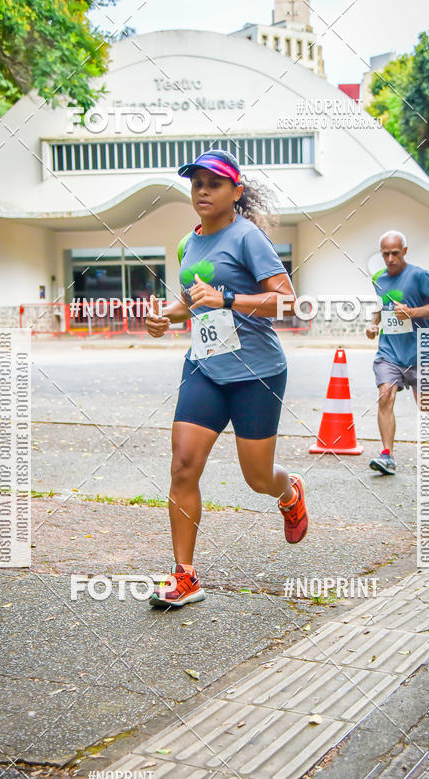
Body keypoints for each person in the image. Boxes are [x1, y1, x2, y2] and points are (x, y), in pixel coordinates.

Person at [144, 149, 308, 608]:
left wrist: (229, 298)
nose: (202, 190)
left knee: (257, 476)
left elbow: (289, 302)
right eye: (196, 182)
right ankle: (185, 577)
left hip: (257, 371)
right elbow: (189, 302)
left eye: (213, 183)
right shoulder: (187, 243)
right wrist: (165, 317)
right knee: (182, 465)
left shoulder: (247, 237)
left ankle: (288, 489)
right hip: (204, 366)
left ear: (236, 192)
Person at [366, 230, 429, 474]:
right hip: (389, 351)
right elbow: (381, 306)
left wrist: (412, 312)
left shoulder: (419, 276)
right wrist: (373, 323)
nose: (390, 259)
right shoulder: (379, 278)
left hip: (418, 351)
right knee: (385, 396)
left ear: (405, 251)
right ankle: (387, 455)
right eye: (385, 254)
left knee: (422, 401)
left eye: (395, 253)